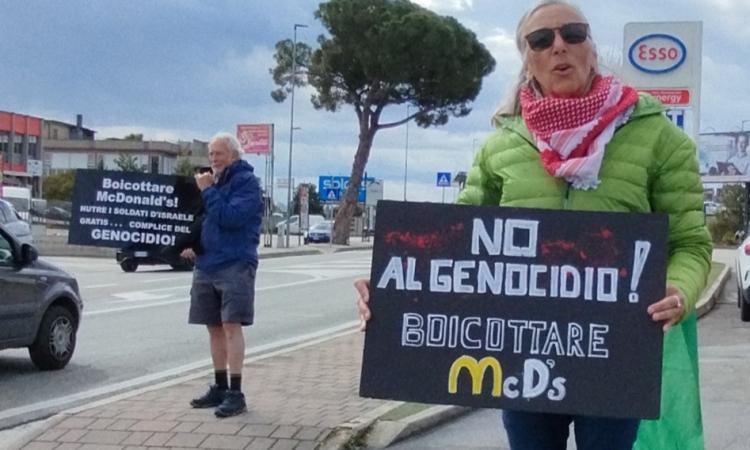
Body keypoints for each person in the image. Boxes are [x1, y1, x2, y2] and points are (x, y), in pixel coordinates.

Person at [355, 1, 711, 449]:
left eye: (573, 34)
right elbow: (453, 243)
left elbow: (691, 244)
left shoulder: (659, 139)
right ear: (527, 59)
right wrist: (393, 288)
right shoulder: (500, 148)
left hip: (613, 355)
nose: (559, 46)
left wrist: (678, 289)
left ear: (590, 47)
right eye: (542, 40)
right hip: (521, 358)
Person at [182, 132, 263, 418]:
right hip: (207, 264)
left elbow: (231, 217)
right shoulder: (211, 184)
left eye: (219, 154)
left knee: (231, 325)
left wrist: (208, 191)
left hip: (235, 263)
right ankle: (219, 385)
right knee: (213, 326)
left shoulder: (247, 184)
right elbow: (204, 221)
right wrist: (190, 244)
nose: (214, 159)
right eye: (211, 154)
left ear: (234, 155)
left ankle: (235, 392)